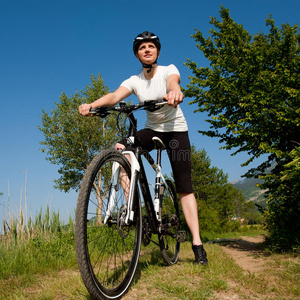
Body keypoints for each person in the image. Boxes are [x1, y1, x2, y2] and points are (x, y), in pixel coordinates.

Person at [79, 31, 208, 265]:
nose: (147, 50)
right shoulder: (135, 80)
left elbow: (173, 82)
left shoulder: (169, 69)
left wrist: (174, 91)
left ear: (157, 51)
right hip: (151, 130)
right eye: (142, 48)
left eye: (151, 46)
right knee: (121, 148)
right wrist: (92, 104)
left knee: (184, 187)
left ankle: (197, 243)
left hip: (176, 131)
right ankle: (134, 211)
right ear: (137, 54)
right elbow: (114, 96)